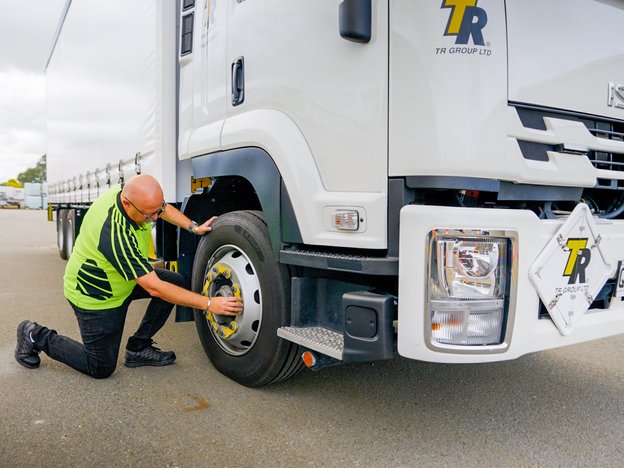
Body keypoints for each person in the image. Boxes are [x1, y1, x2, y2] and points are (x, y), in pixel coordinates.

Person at [15, 174, 243, 378]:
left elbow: (161, 209)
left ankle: (138, 348)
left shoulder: (131, 195)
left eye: (157, 211)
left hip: (121, 280)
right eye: (149, 214)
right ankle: (34, 334)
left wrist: (193, 227)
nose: (155, 218)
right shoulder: (115, 234)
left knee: (175, 282)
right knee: (100, 367)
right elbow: (154, 287)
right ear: (127, 203)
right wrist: (210, 303)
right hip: (96, 295)